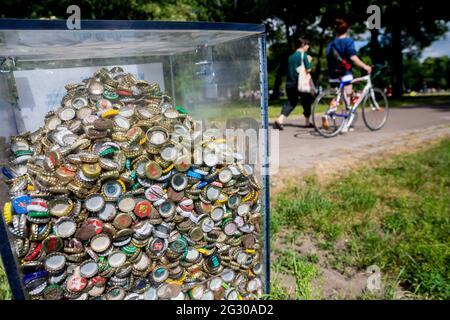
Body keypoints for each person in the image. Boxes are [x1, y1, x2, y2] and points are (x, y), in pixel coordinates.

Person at [324, 18, 372, 132]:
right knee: (347, 98)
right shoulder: (348, 41)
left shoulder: (332, 43)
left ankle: (327, 113)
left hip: (333, 74)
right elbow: (353, 57)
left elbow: (328, 56)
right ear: (347, 30)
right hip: (345, 73)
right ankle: (344, 126)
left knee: (337, 97)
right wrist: (365, 66)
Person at [273, 38, 314, 130]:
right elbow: (308, 70)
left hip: (290, 83)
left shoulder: (290, 56)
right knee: (307, 101)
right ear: (303, 44)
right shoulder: (304, 56)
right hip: (300, 84)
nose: (308, 47)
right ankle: (307, 123)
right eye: (307, 45)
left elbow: (291, 69)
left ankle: (280, 120)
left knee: (291, 102)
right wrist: (309, 61)